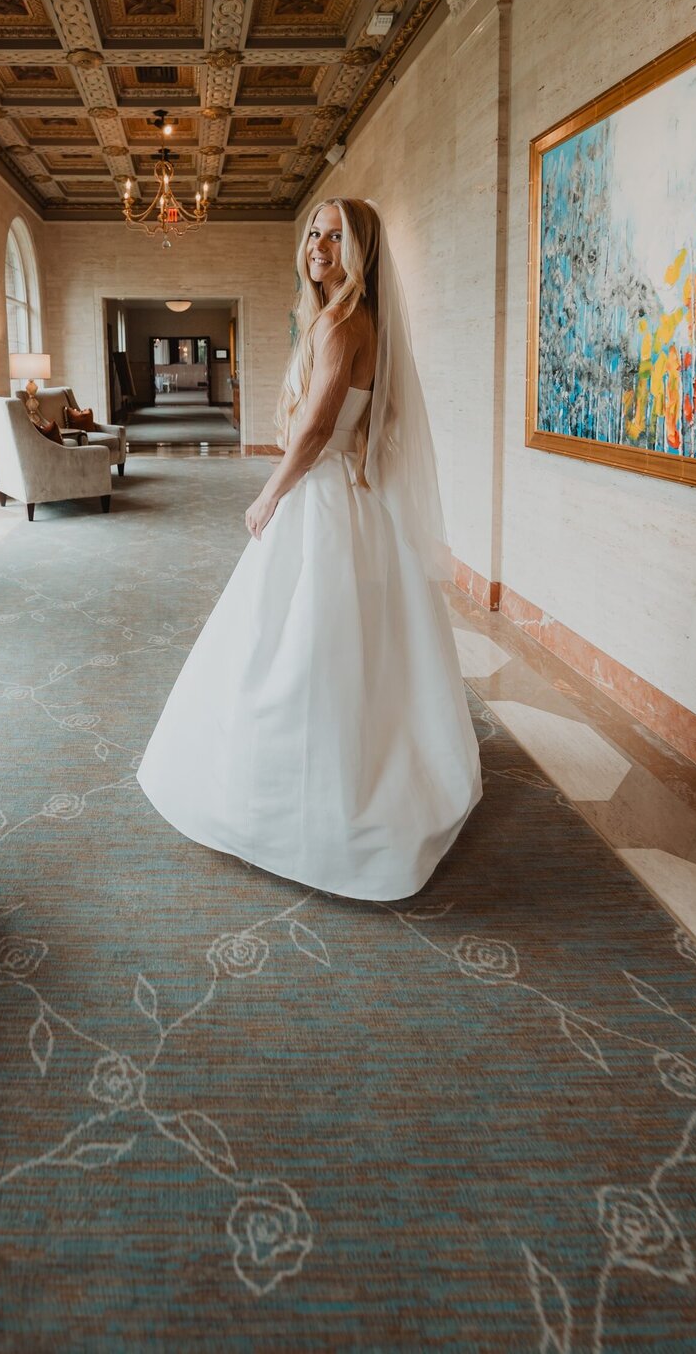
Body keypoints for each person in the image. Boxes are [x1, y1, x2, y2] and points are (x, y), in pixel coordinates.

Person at [136, 197, 482, 900]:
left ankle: (312, 797)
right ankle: (374, 760)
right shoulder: (363, 321)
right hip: (351, 500)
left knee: (296, 646)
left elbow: (319, 428)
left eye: (335, 236)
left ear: (359, 251)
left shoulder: (338, 323)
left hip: (320, 499)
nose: (319, 245)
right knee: (352, 645)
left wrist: (270, 495)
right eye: (315, 233)